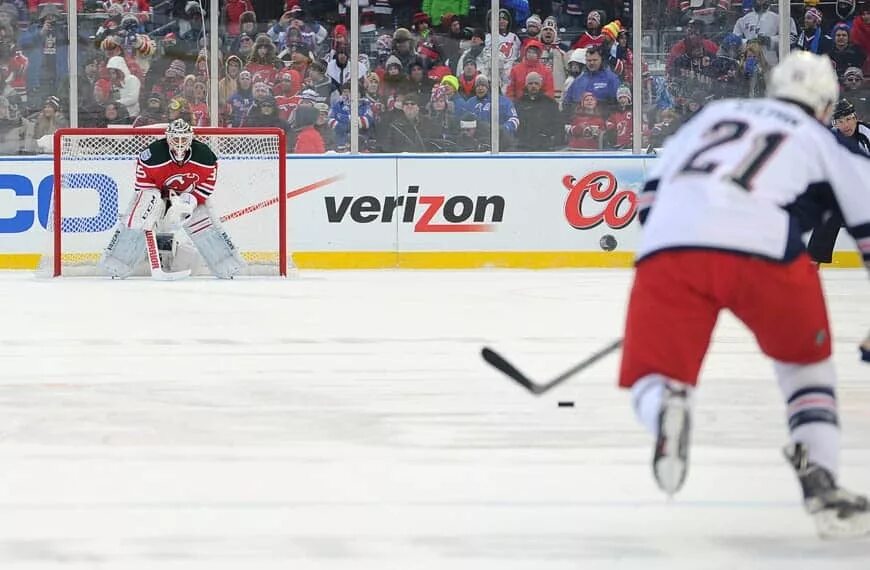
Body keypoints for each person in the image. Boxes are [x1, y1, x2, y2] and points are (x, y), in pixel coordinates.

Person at [619, 51, 870, 539]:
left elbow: (649, 202)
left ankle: (664, 406)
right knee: (804, 365)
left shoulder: (715, 115)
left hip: (671, 245)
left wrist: (683, 263)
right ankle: (820, 481)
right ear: (825, 104)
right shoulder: (826, 143)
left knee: (653, 374)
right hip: (765, 250)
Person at [99, 119, 245, 280]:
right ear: (168, 138)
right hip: (158, 197)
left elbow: (207, 185)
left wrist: (189, 202)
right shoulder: (154, 154)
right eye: (176, 138)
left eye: (184, 139)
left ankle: (226, 265)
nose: (180, 143)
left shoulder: (204, 155)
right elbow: (142, 184)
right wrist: (163, 203)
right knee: (141, 214)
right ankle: (117, 263)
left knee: (202, 220)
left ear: (191, 138)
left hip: (187, 198)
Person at [806, 98, 870, 265]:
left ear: (856, 118)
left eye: (849, 119)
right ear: (834, 123)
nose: (846, 125)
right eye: (840, 121)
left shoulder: (867, 134)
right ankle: (812, 267)